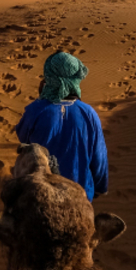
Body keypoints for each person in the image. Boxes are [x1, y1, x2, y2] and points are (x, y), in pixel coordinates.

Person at [14, 51, 109, 201]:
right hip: (80, 194)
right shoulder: (89, 113)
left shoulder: (35, 110)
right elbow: (99, 157)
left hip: (41, 195)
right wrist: (100, 187)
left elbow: (23, 138)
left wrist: (41, 100)